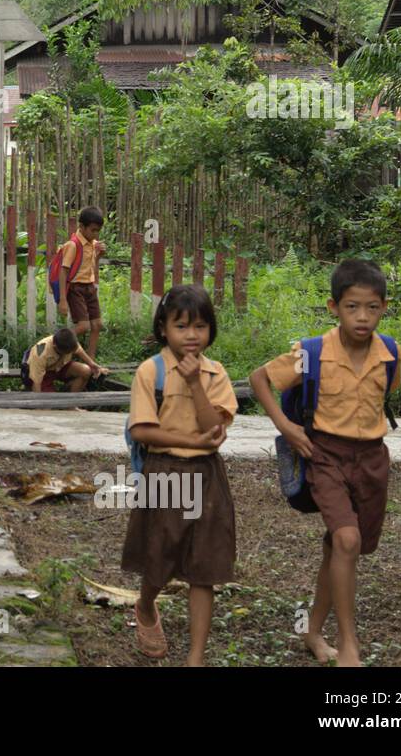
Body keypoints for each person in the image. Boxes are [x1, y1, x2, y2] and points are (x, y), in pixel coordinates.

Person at [249, 259, 401, 668]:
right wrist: (289, 428)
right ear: (334, 307)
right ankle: (348, 643)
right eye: (352, 307)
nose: (363, 317)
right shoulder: (313, 353)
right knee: (347, 542)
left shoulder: (389, 355)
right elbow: (259, 378)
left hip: (371, 460)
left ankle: (312, 632)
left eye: (372, 307)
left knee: (344, 547)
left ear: (384, 307)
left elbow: (385, 397)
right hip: (325, 456)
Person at [122, 284, 236, 665]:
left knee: (205, 566)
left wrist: (193, 383)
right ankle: (145, 604)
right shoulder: (150, 371)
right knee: (162, 556)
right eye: (182, 326)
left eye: (200, 327)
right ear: (163, 329)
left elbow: (214, 433)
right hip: (163, 471)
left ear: (211, 331)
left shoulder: (216, 374)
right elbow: (142, 431)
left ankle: (196, 658)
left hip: (206, 475)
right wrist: (190, 440)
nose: (191, 336)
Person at [58, 205, 107, 358]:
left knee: (97, 325)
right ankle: (56, 343)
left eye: (98, 231)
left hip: (89, 287)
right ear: (82, 226)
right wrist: (63, 300)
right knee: (83, 326)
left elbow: (90, 266)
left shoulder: (92, 244)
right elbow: (63, 271)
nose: (95, 234)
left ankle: (90, 361)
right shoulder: (73, 245)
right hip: (76, 288)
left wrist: (99, 255)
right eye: (93, 230)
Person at [20, 327, 108, 393]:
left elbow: (79, 350)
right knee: (49, 406)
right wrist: (40, 405)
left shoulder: (69, 341)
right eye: (65, 353)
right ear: (55, 346)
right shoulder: (40, 353)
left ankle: (71, 404)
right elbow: (36, 382)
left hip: (61, 367)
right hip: (42, 375)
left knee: (86, 370)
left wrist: (93, 365)